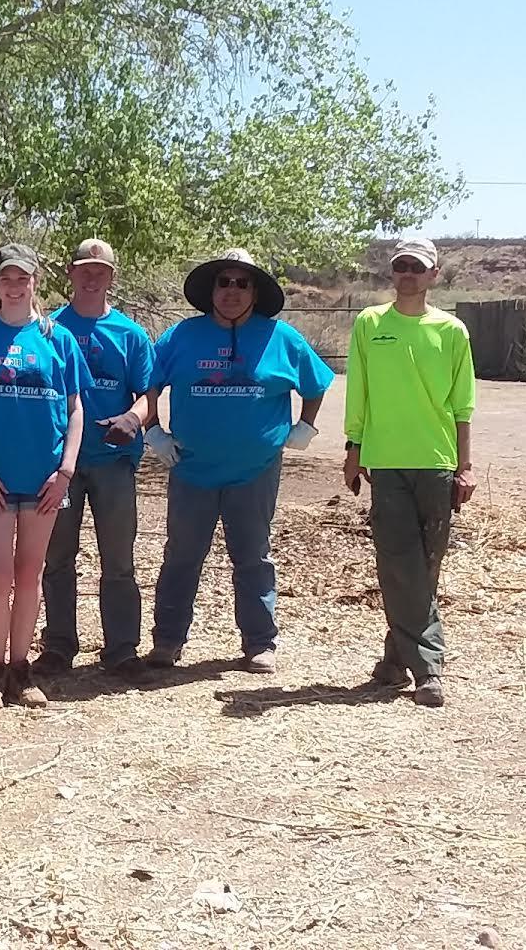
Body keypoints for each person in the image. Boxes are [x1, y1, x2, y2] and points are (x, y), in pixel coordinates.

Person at [144, 248, 332, 673]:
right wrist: (153, 431)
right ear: (212, 290)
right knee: (181, 556)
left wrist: (306, 426)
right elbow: (147, 383)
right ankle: (168, 641)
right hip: (191, 467)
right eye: (223, 282)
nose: (231, 290)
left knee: (253, 557)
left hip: (256, 469)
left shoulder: (281, 337)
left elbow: (316, 382)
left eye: (241, 283)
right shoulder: (181, 337)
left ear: (255, 291)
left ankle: (259, 643)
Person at [0, 244, 91, 710]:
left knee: (31, 575)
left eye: (22, 278)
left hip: (45, 479)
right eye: (6, 278)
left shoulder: (57, 338)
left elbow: (75, 409)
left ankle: (22, 670)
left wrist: (66, 469)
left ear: (35, 282)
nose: (14, 285)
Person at [343, 238, 476, 708]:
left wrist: (465, 466)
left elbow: (462, 405)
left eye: (416, 269)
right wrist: (354, 448)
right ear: (391, 273)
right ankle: (428, 668)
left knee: (424, 567)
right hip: (387, 460)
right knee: (400, 563)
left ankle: (394, 660)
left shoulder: (451, 330)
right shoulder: (370, 324)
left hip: (437, 461)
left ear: (434, 274)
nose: (407, 275)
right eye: (400, 267)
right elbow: (357, 391)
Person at [38, 239, 154, 677]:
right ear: (70, 273)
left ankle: (121, 649)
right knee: (57, 557)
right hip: (59, 463)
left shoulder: (130, 334)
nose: (91, 277)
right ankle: (59, 645)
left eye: (100, 270)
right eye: (84, 269)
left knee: (119, 559)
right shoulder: (48, 330)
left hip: (113, 461)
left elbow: (149, 394)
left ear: (111, 277)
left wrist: (134, 418)